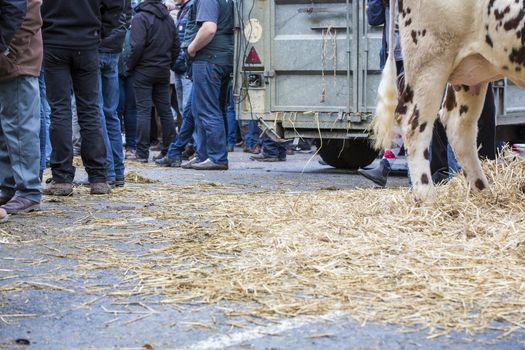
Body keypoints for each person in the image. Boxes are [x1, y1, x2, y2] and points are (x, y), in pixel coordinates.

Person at [41, 0, 124, 196]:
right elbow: (115, 6)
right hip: (86, 42)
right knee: (89, 111)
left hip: (55, 40)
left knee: (60, 110)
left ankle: (62, 179)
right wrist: (98, 32)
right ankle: (98, 178)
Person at [0, 0, 42, 215]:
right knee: (7, 128)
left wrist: (9, 55)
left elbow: (27, 16)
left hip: (17, 62)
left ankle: (28, 191)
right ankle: (9, 187)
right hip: (10, 61)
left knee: (19, 127)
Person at [184, 0, 235, 170]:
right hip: (222, 58)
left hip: (209, 58)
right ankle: (203, 155)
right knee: (206, 108)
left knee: (207, 109)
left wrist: (191, 48)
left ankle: (216, 158)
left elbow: (209, 28)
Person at [128, 0, 180, 163]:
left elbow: (136, 46)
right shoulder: (168, 18)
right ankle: (169, 151)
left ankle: (142, 153)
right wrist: (168, 64)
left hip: (143, 69)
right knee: (165, 111)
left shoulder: (140, 17)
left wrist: (130, 66)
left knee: (143, 111)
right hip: (163, 70)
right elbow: (176, 45)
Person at [98, 0, 132, 187]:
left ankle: (108, 172)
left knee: (98, 112)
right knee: (110, 113)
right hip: (115, 45)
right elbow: (125, 16)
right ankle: (117, 172)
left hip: (100, 44)